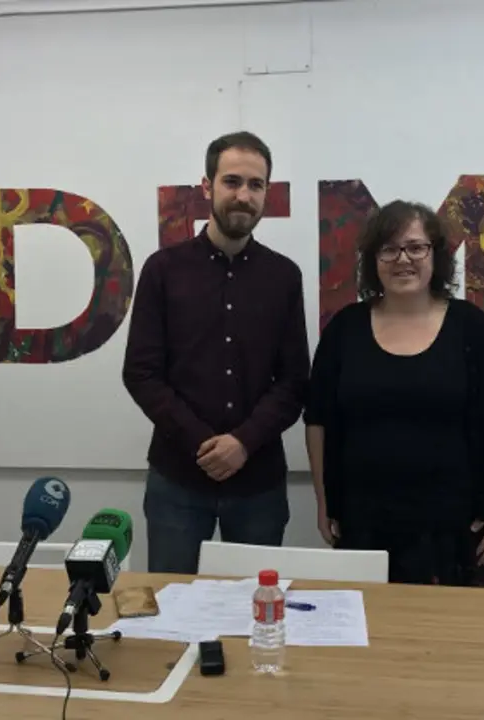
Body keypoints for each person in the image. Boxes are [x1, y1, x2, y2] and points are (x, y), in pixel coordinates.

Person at [303, 200, 484, 587]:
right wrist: (325, 503)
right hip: (365, 523)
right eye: (388, 249)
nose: (402, 259)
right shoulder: (345, 329)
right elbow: (318, 420)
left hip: (456, 526)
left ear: (435, 255)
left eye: (415, 247)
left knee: (453, 640)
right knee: (372, 638)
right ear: (373, 259)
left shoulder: (472, 328)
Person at [123, 131, 310, 574]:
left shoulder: (284, 277)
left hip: (259, 482)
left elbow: (295, 380)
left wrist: (243, 443)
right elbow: (142, 373)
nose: (243, 195)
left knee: (256, 613)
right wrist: (204, 444)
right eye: (232, 182)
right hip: (177, 480)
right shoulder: (163, 270)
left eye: (256, 185)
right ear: (206, 187)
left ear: (267, 192)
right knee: (170, 610)